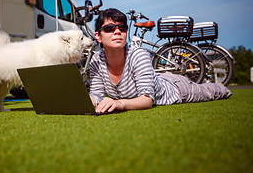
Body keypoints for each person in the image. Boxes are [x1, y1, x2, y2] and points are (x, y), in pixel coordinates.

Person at [89, 8, 232, 114]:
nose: (117, 31)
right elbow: (97, 95)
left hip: (177, 89)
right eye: (109, 28)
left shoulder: (138, 54)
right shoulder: (96, 59)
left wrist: (119, 103)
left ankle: (218, 85)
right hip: (157, 79)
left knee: (209, 92)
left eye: (122, 27)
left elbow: (147, 100)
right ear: (98, 36)